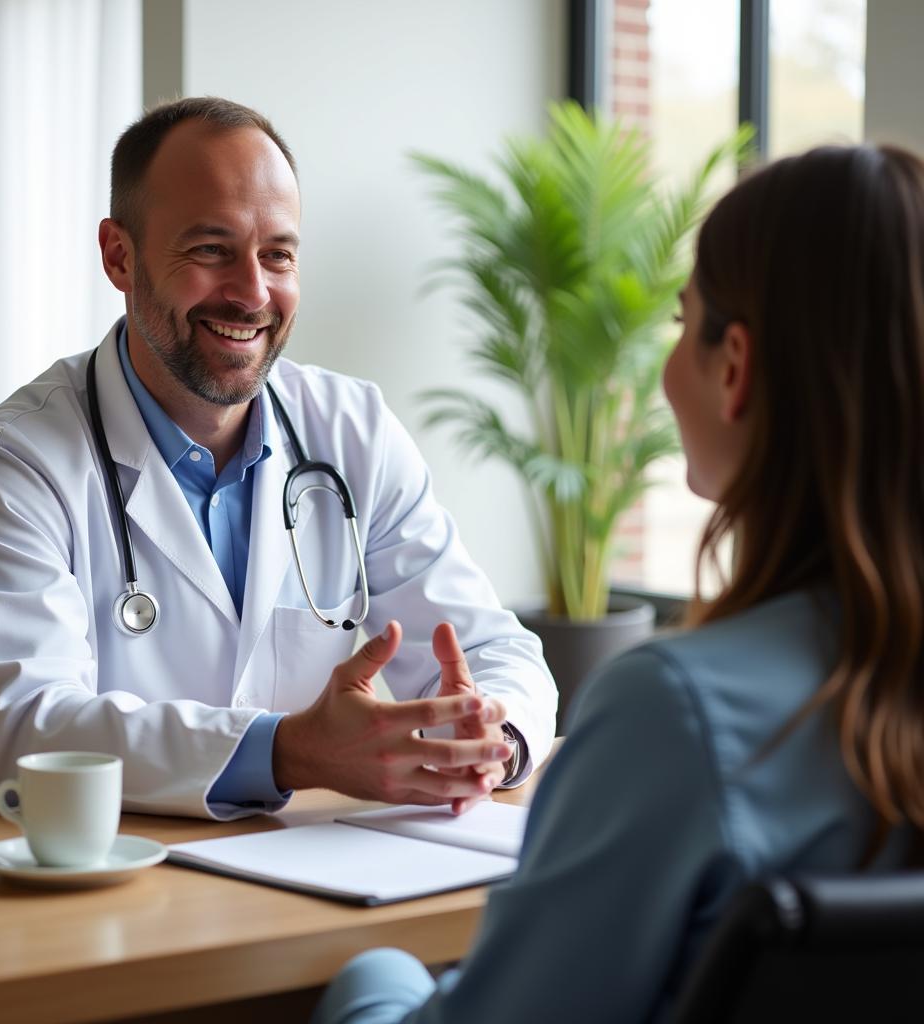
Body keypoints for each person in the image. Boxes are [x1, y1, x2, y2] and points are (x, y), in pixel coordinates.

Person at [312, 142, 924, 1023]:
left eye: (683, 323)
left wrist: (378, 981)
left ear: (735, 366)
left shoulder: (676, 712)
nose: (668, 369)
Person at [0, 97, 557, 820]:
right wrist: (292, 751)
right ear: (119, 257)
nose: (253, 292)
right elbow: (32, 727)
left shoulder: (353, 430)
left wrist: (490, 737)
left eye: (278, 254)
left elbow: (492, 646)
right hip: (50, 884)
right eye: (210, 250)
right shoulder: (10, 463)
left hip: (286, 868)